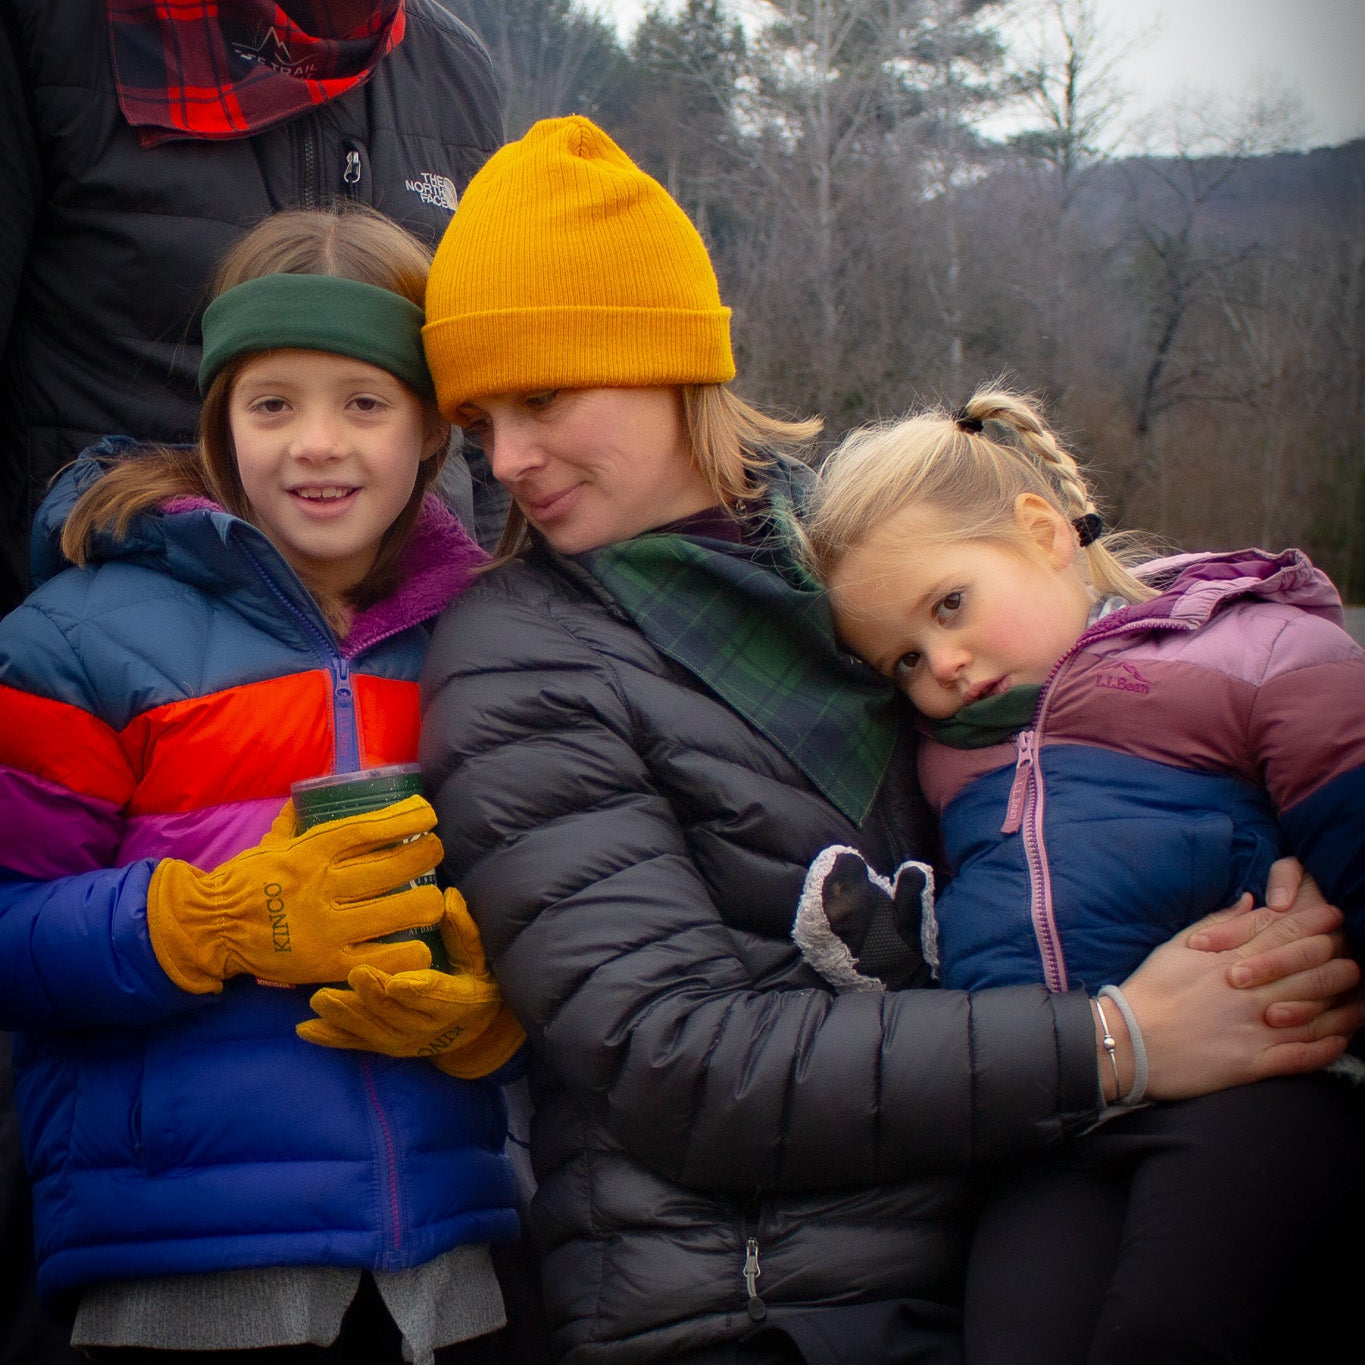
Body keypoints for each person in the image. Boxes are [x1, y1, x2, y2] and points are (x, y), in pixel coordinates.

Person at [324, 114, 1365, 1365]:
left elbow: (1119, 695)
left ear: (667, 360)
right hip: (753, 1307)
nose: (507, 460)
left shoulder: (872, 565)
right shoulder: (519, 653)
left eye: (541, 398)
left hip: (1006, 1227)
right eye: (480, 418)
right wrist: (1122, 1038)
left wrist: (1276, 939)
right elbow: (677, 1058)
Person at [0, 204, 525, 1363]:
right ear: (222, 420)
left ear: (431, 429)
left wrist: (495, 1016)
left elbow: (551, 900)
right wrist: (216, 920)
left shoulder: (491, 646)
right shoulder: (81, 639)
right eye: (272, 402)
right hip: (180, 1274)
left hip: (447, 1280)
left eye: (364, 402)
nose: (317, 443)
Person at [792, 387, 1365, 1363]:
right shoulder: (944, 757)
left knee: (1168, 1333)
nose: (944, 663)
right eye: (905, 658)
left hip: (1251, 1087)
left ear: (1043, 530)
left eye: (951, 604)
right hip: (1055, 1122)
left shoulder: (1239, 644)